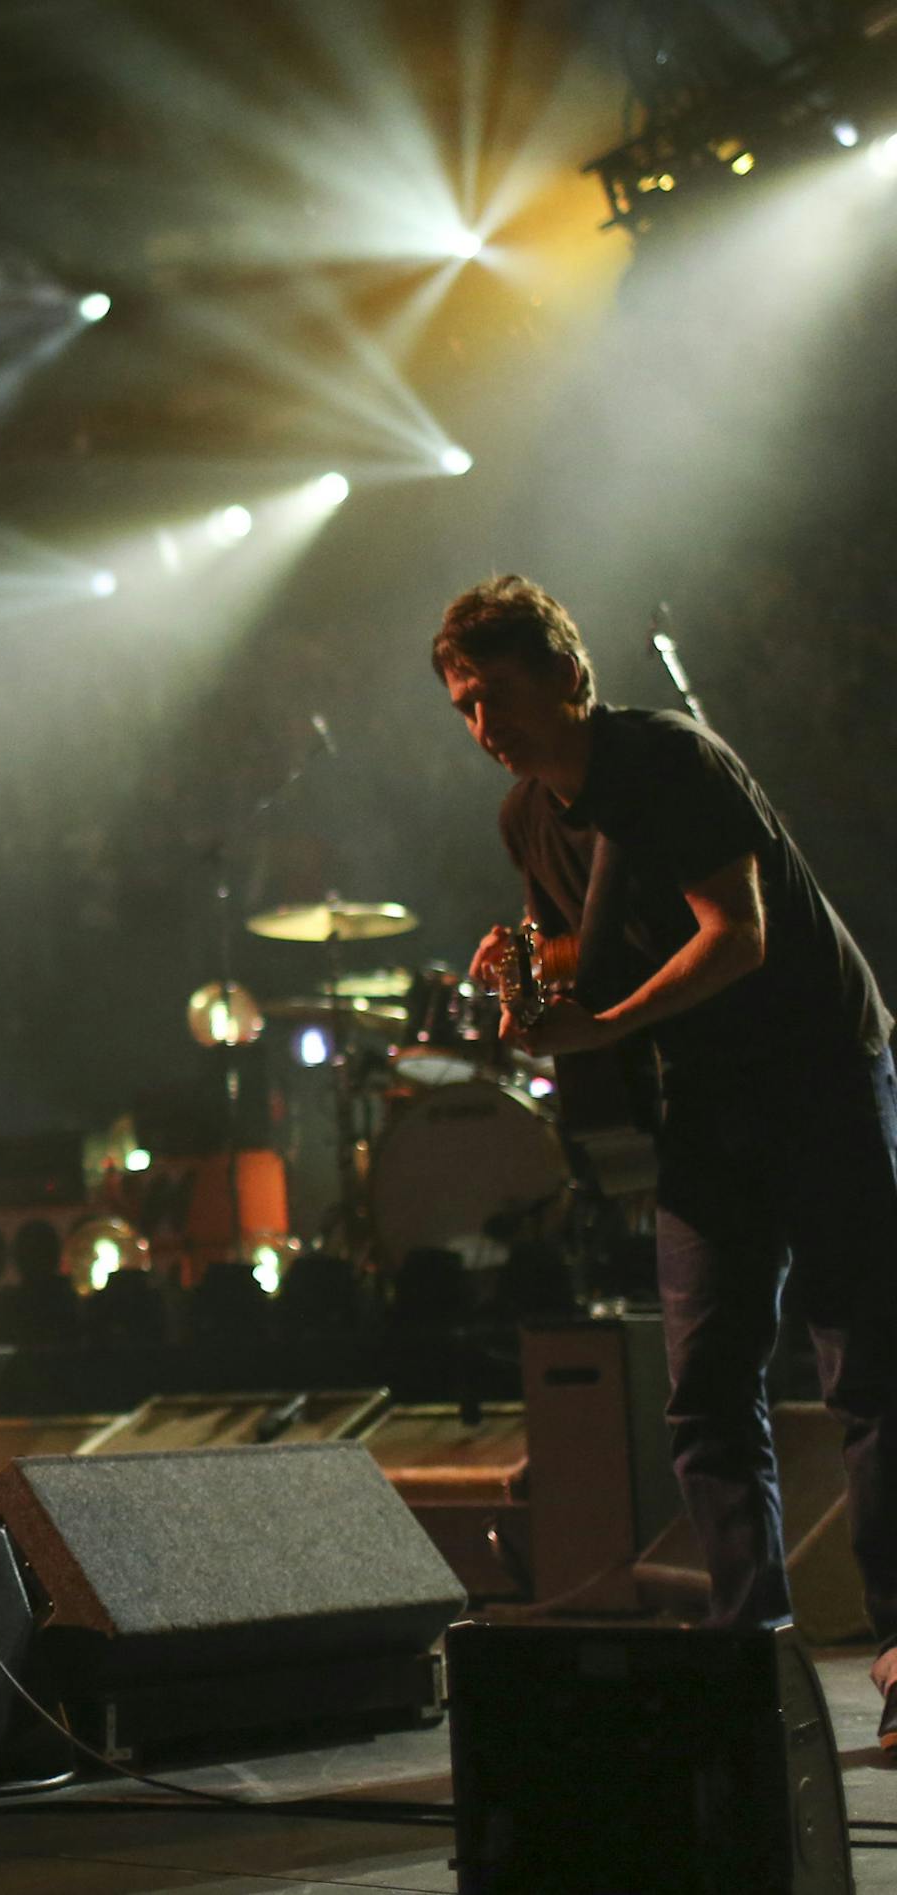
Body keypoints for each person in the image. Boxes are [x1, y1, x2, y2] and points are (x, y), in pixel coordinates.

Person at [435, 575, 897, 1732]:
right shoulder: (528, 818)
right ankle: (753, 1654)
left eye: (495, 696)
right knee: (704, 1390)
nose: (485, 729)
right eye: (464, 708)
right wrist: (525, 961)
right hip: (709, 1102)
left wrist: (594, 1026)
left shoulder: (670, 762)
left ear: (566, 675)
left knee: (871, 1373)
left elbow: (735, 935)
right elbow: (584, 945)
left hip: (821, 1074)